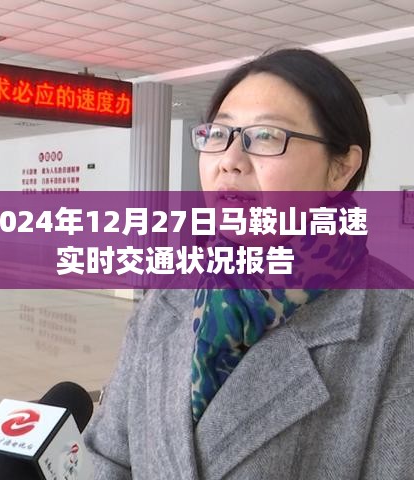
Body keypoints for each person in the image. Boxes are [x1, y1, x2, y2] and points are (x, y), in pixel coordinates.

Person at [84, 48, 414, 479]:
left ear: (340, 169)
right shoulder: (169, 297)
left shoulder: (396, 328)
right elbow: (108, 456)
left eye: (266, 136)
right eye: (218, 135)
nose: (230, 161)